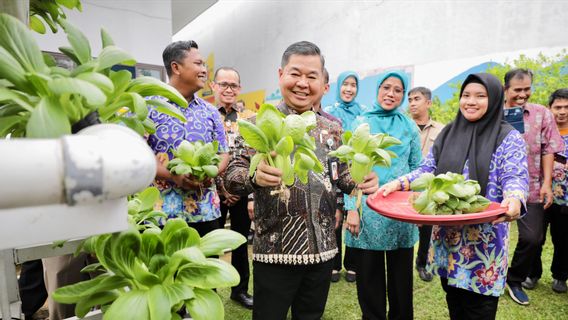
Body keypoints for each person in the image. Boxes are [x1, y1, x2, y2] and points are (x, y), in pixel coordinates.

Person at [224, 41, 378, 320]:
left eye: (312, 76)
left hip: (322, 249)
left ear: (322, 81)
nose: (302, 83)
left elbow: (339, 173)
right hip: (274, 250)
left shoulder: (332, 128)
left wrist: (359, 179)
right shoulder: (259, 123)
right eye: (295, 74)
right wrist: (254, 177)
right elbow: (231, 177)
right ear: (281, 74)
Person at [378, 73, 529, 320]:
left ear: (494, 100)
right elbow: (427, 170)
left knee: (479, 309)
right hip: (449, 241)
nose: (471, 101)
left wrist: (514, 197)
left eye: (481, 96)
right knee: (454, 303)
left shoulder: (508, 137)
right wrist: (399, 182)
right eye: (466, 95)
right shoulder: (449, 132)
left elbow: (515, 175)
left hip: (485, 245)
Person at [343, 71, 422, 320]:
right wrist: (351, 209)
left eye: (398, 90)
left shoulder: (408, 125)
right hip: (368, 211)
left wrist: (413, 200)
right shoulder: (361, 123)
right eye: (386, 88)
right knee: (369, 277)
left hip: (400, 212)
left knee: (401, 280)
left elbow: (417, 168)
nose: (391, 94)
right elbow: (348, 170)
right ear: (377, 90)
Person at [146, 40, 229, 237]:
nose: (204, 70)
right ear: (176, 67)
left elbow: (223, 152)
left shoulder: (210, 111)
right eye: (199, 64)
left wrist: (210, 172)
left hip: (205, 212)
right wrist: (172, 175)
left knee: (207, 266)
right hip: (161, 214)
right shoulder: (148, 106)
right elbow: (136, 154)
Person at [503, 69, 564, 305]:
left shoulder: (542, 114)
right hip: (496, 188)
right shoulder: (492, 113)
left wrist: (547, 183)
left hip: (531, 186)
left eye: (527, 89)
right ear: (505, 88)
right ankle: (486, 276)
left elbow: (550, 148)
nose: (522, 94)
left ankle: (514, 278)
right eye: (517, 89)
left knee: (532, 238)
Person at [211, 66, 254, 309]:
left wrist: (243, 193)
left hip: (242, 192)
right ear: (213, 86)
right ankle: (209, 291)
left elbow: (254, 156)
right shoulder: (206, 114)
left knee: (239, 243)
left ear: (240, 89)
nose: (229, 89)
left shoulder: (249, 119)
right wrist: (221, 187)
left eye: (233, 85)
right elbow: (206, 155)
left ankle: (240, 291)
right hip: (212, 193)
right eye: (223, 84)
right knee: (212, 244)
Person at [324, 71, 367, 283]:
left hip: (356, 170)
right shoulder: (330, 113)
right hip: (335, 168)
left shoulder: (363, 114)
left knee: (355, 210)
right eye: (345, 84)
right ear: (338, 86)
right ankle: (334, 263)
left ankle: (352, 263)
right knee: (336, 213)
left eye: (353, 85)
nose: (349, 89)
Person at [525, 88, 568, 293]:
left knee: (563, 238)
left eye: (566, 107)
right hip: (540, 193)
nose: (562, 111)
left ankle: (560, 276)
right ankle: (533, 274)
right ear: (549, 109)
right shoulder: (539, 131)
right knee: (536, 236)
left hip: (566, 199)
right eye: (557, 107)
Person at [408, 86, 445, 282]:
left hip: (430, 186)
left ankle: (421, 263)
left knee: (427, 228)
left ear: (428, 103)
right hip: (407, 184)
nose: (412, 103)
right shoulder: (404, 127)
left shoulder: (442, 130)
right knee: (403, 225)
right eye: (410, 99)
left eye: (417, 99)